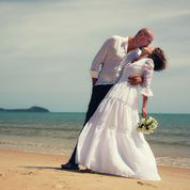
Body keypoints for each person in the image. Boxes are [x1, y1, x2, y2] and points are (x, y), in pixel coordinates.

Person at [61, 28, 155, 170]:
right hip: (101, 87)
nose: (149, 44)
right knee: (90, 124)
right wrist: (95, 87)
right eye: (149, 40)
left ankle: (96, 164)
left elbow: (140, 72)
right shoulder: (114, 41)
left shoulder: (138, 54)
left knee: (108, 127)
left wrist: (140, 78)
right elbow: (95, 64)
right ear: (141, 36)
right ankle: (73, 162)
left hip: (119, 93)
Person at [76, 47, 167, 180]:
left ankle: (125, 164)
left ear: (153, 53)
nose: (149, 45)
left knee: (122, 127)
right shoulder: (136, 56)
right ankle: (97, 163)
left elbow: (147, 85)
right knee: (103, 122)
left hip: (128, 95)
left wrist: (145, 107)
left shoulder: (148, 62)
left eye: (152, 46)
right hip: (116, 91)